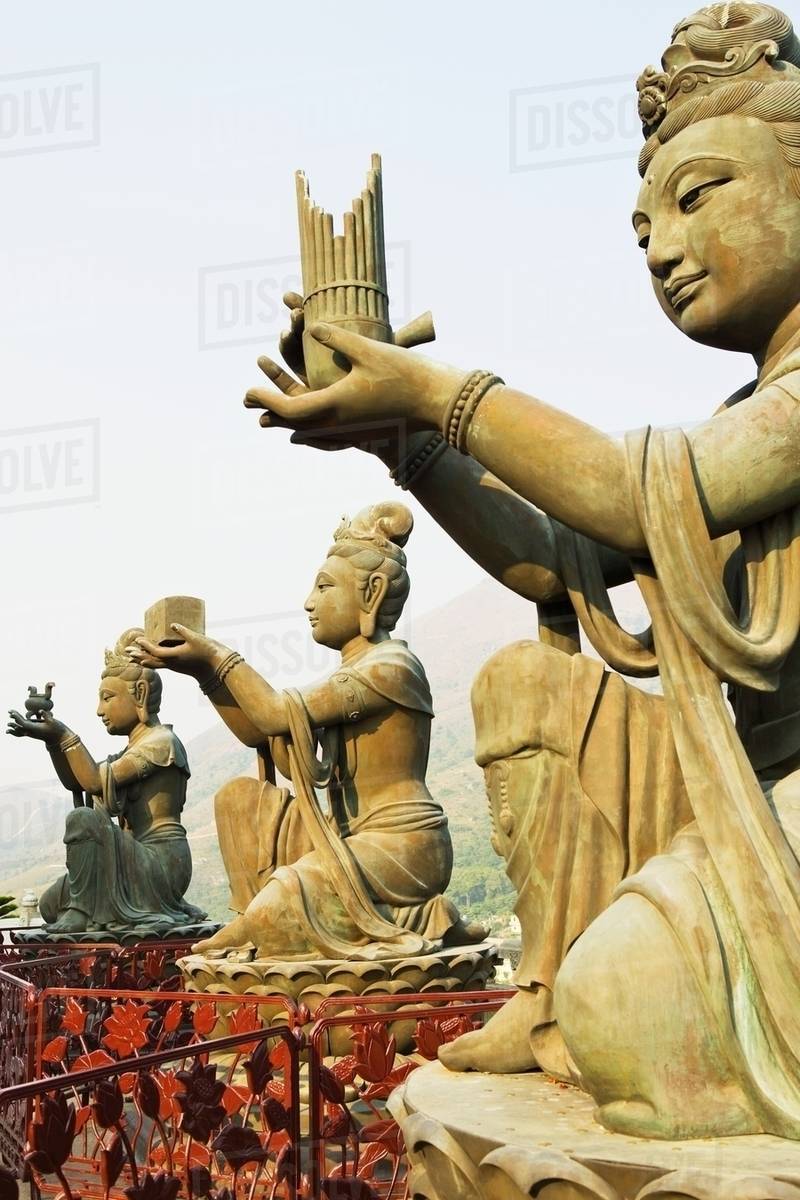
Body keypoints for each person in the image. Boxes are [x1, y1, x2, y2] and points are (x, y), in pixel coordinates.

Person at [238, 2, 800, 1139]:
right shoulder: (746, 412)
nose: (658, 245)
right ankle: (540, 990)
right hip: (737, 794)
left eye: (695, 198)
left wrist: (439, 394)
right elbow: (560, 562)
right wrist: (408, 443)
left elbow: (622, 485)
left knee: (631, 1015)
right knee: (518, 680)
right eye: (640, 226)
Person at [134, 502, 473, 960]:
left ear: (371, 593)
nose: (309, 603)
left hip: (402, 845)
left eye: (324, 587)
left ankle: (261, 925)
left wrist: (217, 656)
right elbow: (262, 734)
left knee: (285, 895)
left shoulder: (391, 668)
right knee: (239, 800)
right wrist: (203, 675)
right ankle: (255, 920)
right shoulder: (353, 674)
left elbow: (275, 713)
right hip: (344, 837)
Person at [7, 631, 206, 935]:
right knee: (50, 905)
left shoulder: (162, 743)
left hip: (160, 864)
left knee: (84, 819)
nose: (100, 710)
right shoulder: (127, 753)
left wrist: (64, 735)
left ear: (139, 694)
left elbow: (94, 783)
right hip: (129, 859)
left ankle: (82, 911)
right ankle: (80, 909)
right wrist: (51, 742)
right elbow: (76, 781)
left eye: (108, 698)